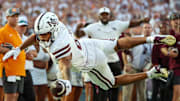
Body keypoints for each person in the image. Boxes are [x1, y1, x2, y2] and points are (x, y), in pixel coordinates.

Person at [2, 12, 176, 98]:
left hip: (91, 62)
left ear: (53, 30)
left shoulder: (59, 44)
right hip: (88, 44)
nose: (41, 37)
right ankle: (152, 38)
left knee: (112, 83)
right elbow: (35, 36)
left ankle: (151, 73)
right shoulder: (53, 27)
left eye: (45, 34)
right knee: (116, 44)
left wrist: (66, 81)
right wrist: (18, 48)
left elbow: (65, 63)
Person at [80, 7, 150, 101]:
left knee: (115, 91)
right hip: (101, 62)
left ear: (109, 15)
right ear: (99, 16)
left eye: (106, 14)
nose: (104, 16)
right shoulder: (93, 27)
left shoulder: (116, 24)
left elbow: (130, 24)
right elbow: (81, 34)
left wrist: (141, 21)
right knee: (102, 91)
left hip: (114, 61)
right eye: (102, 15)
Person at [0, 8, 26, 101]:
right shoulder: (3, 31)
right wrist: (8, 51)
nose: (15, 18)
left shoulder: (16, 32)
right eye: (13, 16)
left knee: (15, 96)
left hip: (19, 70)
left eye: (17, 16)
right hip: (9, 69)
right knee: (10, 96)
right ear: (7, 17)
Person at [122, 23, 153, 101]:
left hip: (142, 70)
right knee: (127, 91)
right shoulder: (135, 39)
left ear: (152, 30)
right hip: (132, 67)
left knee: (142, 92)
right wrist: (126, 64)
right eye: (145, 27)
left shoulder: (153, 42)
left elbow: (153, 58)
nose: (147, 29)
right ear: (142, 29)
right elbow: (124, 51)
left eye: (149, 28)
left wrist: (148, 67)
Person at [15, 16, 37, 101]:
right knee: (18, 97)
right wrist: (26, 54)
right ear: (16, 25)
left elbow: (35, 53)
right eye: (21, 26)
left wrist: (28, 54)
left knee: (31, 97)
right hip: (16, 72)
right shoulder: (12, 38)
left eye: (24, 26)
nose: (23, 28)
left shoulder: (26, 39)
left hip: (26, 72)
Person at [160, 13, 180, 101]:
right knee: (175, 94)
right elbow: (163, 48)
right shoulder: (170, 35)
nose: (176, 21)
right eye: (174, 20)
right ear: (171, 22)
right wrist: (169, 53)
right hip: (175, 68)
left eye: (178, 19)